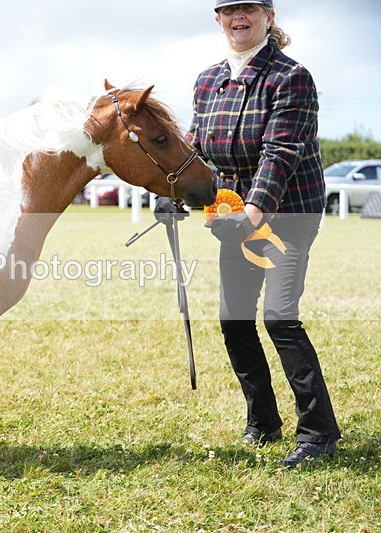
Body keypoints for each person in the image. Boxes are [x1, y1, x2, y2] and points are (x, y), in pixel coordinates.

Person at [157, 0, 341, 467]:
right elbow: (197, 145)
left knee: (279, 317)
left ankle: (318, 433)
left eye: (249, 9)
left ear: (268, 16)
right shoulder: (207, 80)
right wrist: (172, 192)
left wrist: (255, 213)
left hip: (289, 212)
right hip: (234, 213)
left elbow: (281, 152)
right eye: (229, 10)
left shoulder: (290, 77)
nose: (239, 17)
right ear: (217, 18)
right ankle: (263, 421)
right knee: (234, 320)